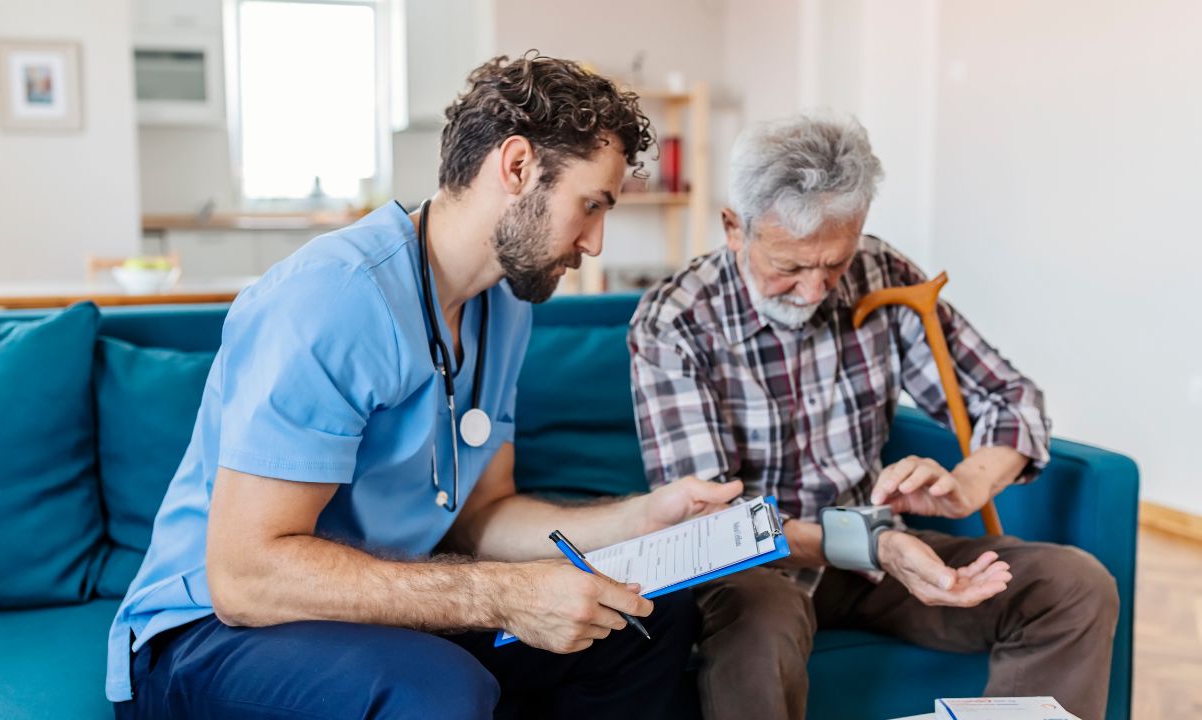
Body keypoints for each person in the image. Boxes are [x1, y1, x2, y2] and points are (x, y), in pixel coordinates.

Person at [107, 52, 742, 720]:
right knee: (434, 690)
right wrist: (499, 595)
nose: (596, 242)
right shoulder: (333, 298)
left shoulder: (506, 305)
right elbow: (246, 576)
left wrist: (640, 520)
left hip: (381, 607)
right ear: (518, 167)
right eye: (590, 206)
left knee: (644, 612)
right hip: (213, 631)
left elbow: (481, 514)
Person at [628, 116, 1119, 720]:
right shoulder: (674, 321)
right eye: (789, 265)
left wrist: (966, 486)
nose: (814, 292)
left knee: (1074, 587)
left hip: (883, 550)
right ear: (734, 226)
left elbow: (1011, 400)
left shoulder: (883, 275)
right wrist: (873, 545)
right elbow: (711, 526)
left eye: (833, 263)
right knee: (756, 626)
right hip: (762, 563)